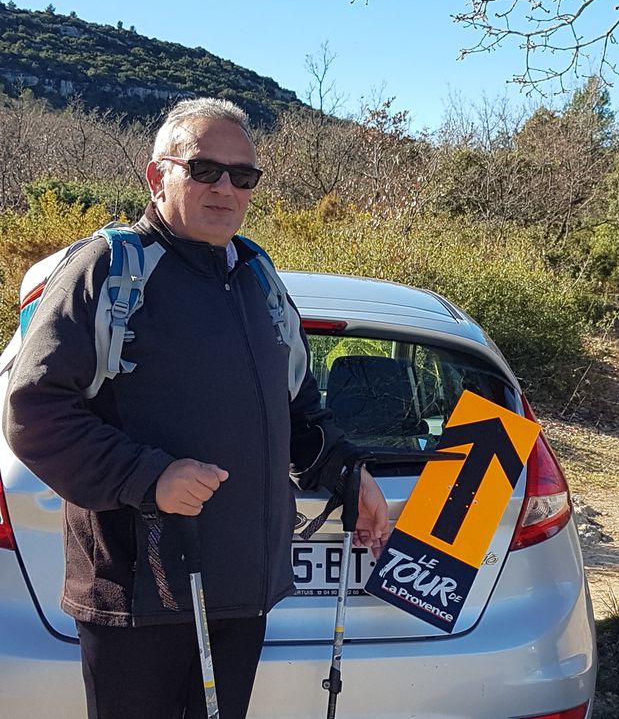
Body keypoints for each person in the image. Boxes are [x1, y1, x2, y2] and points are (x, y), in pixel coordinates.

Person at [3, 98, 390, 719]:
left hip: (241, 590)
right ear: (158, 177)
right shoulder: (108, 270)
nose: (226, 189)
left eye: (244, 176)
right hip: (138, 594)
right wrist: (151, 477)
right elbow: (33, 411)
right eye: (205, 169)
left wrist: (347, 474)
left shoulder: (256, 274)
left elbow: (295, 411)